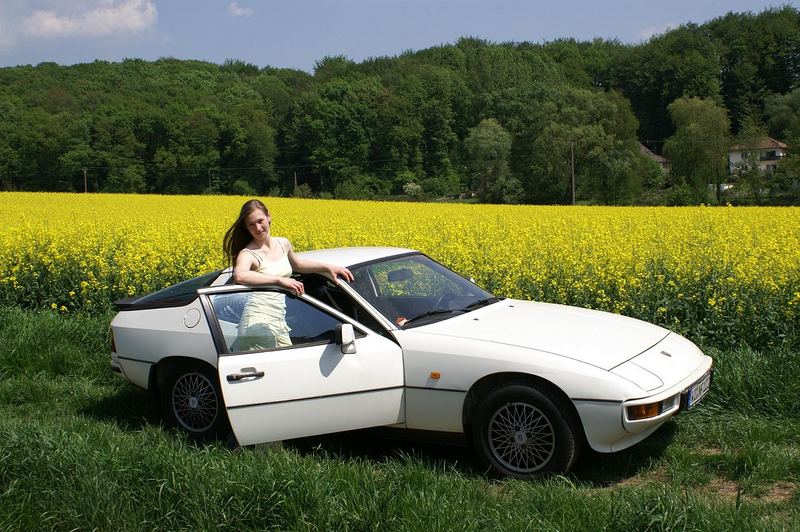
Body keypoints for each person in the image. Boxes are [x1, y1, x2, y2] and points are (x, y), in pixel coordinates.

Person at [222, 199, 354, 350]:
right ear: (246, 227)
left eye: (260, 221)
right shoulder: (248, 254)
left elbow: (298, 265)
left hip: (278, 319)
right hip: (256, 322)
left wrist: (328, 267)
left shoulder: (283, 243)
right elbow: (240, 275)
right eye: (251, 224)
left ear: (269, 217)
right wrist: (279, 281)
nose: (258, 228)